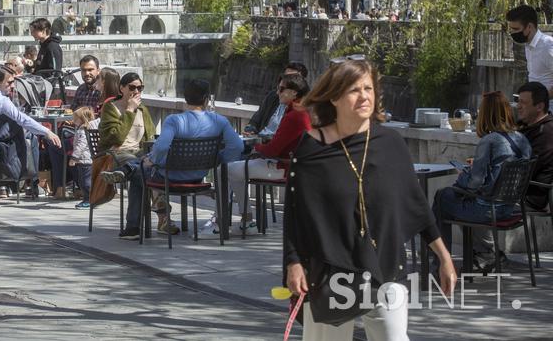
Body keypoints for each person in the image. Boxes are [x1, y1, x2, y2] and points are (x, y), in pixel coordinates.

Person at [286, 58, 455, 338]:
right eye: (354, 90)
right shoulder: (312, 148)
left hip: (386, 266)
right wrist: (293, 264)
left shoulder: (390, 144)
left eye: (368, 88)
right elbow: (295, 214)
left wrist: (444, 257)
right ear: (334, 98)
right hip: (331, 270)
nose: (364, 96)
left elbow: (416, 205)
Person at [109, 79, 244, 240]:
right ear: (207, 98)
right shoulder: (219, 121)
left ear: (185, 99)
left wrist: (152, 160)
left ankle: (132, 227)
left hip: (169, 178)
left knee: (140, 175)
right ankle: (129, 169)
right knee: (141, 168)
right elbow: (237, 147)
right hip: (198, 177)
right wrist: (217, 159)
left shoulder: (175, 121)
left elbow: (162, 147)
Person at [433, 91, 532, 273]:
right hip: (512, 208)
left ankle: (440, 263)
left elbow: (474, 183)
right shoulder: (522, 139)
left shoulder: (490, 141)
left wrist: (463, 176)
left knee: (443, 197)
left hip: (488, 210)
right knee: (457, 201)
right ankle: (485, 255)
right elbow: (503, 170)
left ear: (485, 114)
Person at [226, 73, 311, 234]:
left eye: (281, 89)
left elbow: (272, 150)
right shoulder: (305, 111)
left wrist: (257, 146)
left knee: (224, 169)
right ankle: (246, 220)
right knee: (234, 169)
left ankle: (221, 223)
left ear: (294, 92)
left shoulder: (294, 115)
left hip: (282, 167)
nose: (277, 92)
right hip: (294, 166)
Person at [97, 73, 156, 237]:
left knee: (143, 170)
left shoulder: (143, 110)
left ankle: (133, 228)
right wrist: (129, 111)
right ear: (122, 88)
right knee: (142, 171)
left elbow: (150, 137)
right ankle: (161, 214)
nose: (136, 91)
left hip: (140, 155)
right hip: (116, 154)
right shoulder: (111, 108)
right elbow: (115, 137)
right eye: (132, 87)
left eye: (140, 87)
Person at [517, 81, 553, 211]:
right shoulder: (525, 125)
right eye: (518, 101)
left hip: (525, 198)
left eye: (523, 103)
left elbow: (527, 169)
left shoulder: (547, 132)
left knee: (453, 198)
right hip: (510, 192)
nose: (518, 106)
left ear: (539, 106)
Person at [246, 62, 307, 135]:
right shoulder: (273, 95)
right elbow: (257, 117)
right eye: (286, 76)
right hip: (260, 137)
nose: (286, 80)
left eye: (292, 77)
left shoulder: (302, 107)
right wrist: (250, 129)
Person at [506, 4, 553, 96]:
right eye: (511, 29)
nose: (513, 33)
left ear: (529, 27)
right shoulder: (528, 45)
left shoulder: (547, 45)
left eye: (516, 29)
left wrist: (544, 97)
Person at [69, 107, 100, 209]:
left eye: (75, 119)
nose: (73, 121)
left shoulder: (83, 131)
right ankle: (89, 199)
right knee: (83, 181)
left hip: (85, 160)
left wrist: (74, 157)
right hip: (85, 160)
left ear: (82, 119)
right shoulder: (83, 129)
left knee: (85, 182)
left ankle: (89, 200)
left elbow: (81, 146)